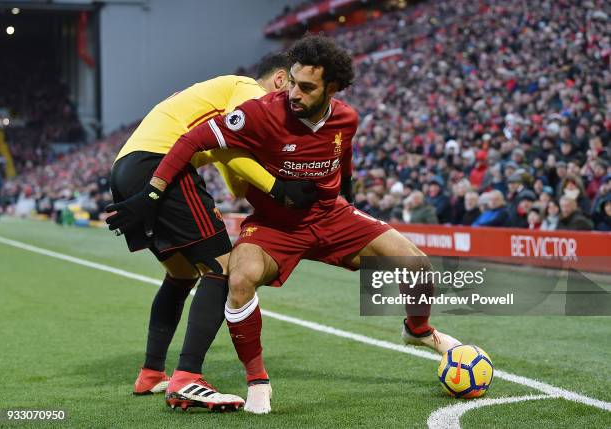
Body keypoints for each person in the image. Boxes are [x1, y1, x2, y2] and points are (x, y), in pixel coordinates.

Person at [109, 35, 461, 414]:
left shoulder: (346, 118)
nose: (293, 92)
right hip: (245, 212)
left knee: (418, 267)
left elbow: (337, 158)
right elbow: (198, 140)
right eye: (291, 82)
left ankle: (418, 330)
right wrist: (156, 192)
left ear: (333, 88)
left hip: (327, 216)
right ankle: (212, 378)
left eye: (305, 87)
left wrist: (348, 200)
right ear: (280, 77)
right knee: (229, 272)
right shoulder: (255, 105)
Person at [105, 53, 318, 411]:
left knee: (182, 274)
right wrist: (278, 188)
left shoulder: (219, 94)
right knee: (223, 268)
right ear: (280, 80)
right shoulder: (250, 91)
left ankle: (152, 372)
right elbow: (230, 146)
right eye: (292, 87)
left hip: (128, 167)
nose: (291, 101)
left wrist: (260, 185)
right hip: (162, 165)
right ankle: (187, 377)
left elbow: (229, 164)